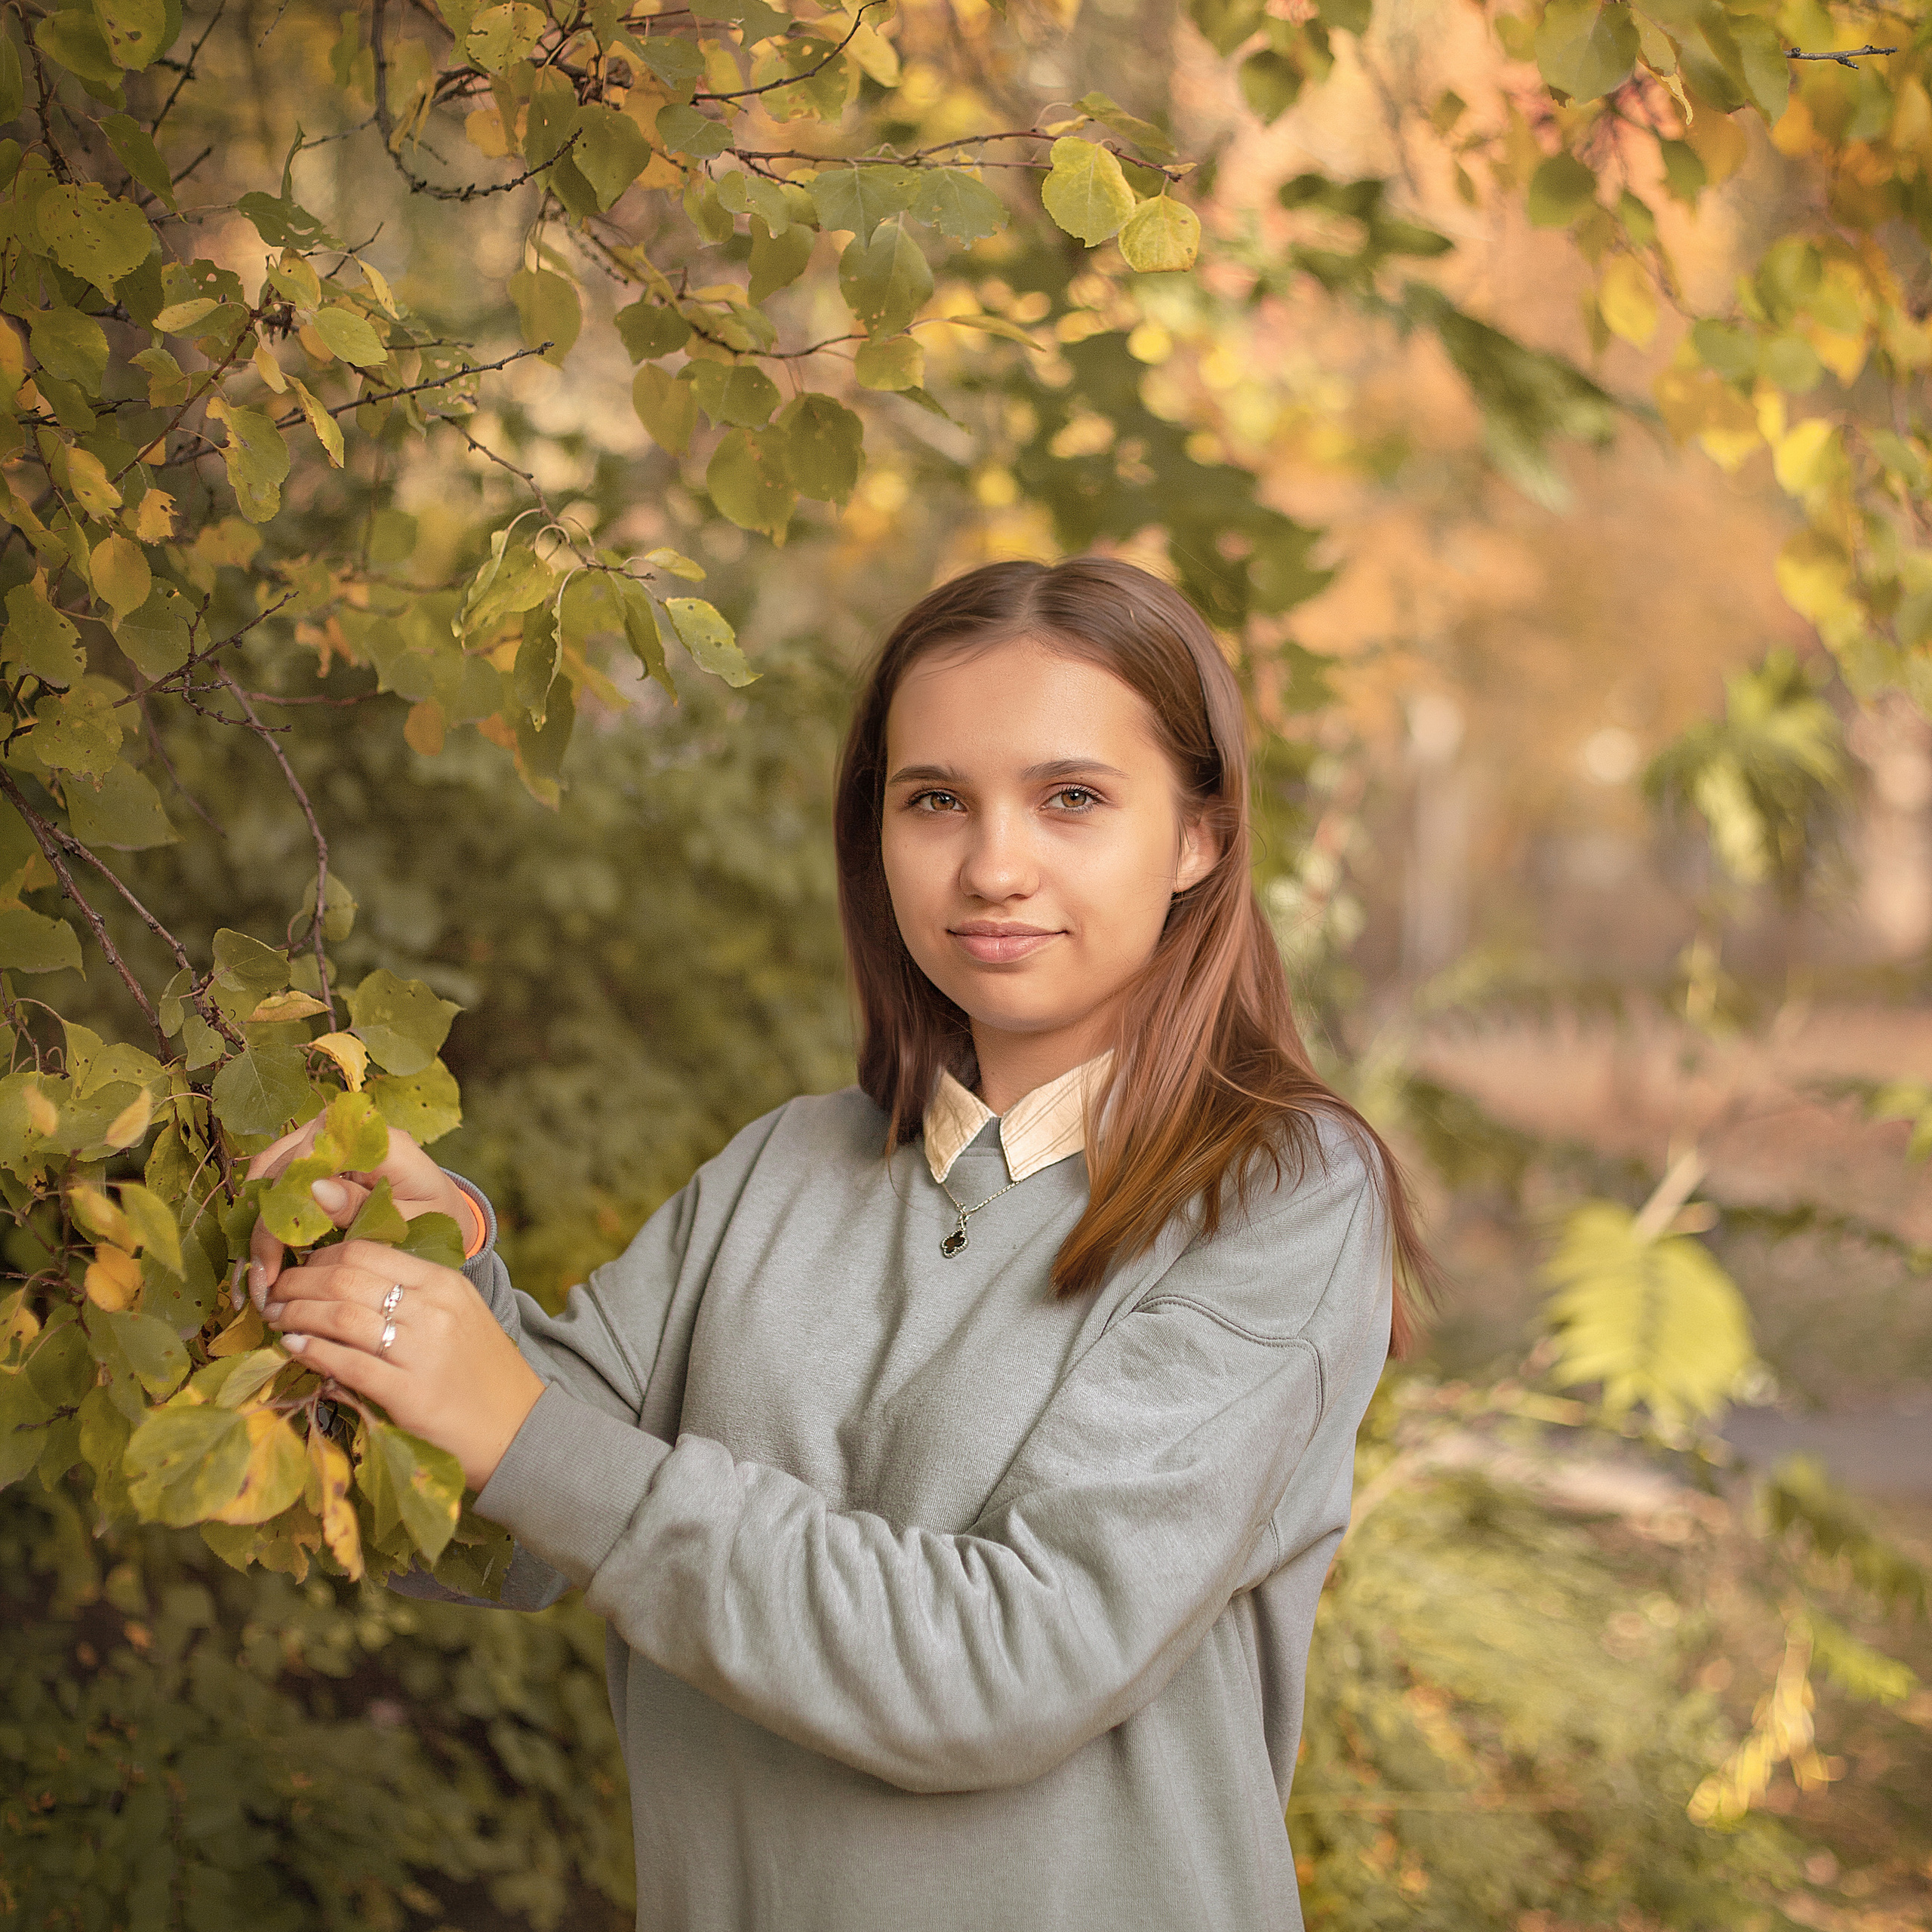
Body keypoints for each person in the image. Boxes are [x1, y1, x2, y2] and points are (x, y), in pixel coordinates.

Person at [246, 555, 1429, 1932]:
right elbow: (509, 1527)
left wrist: (521, 1434)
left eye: (1074, 799)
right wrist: (403, 1269)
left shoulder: (1279, 1196)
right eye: (936, 799)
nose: (994, 864)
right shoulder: (787, 1165)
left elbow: (1018, 1663)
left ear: (1198, 837)